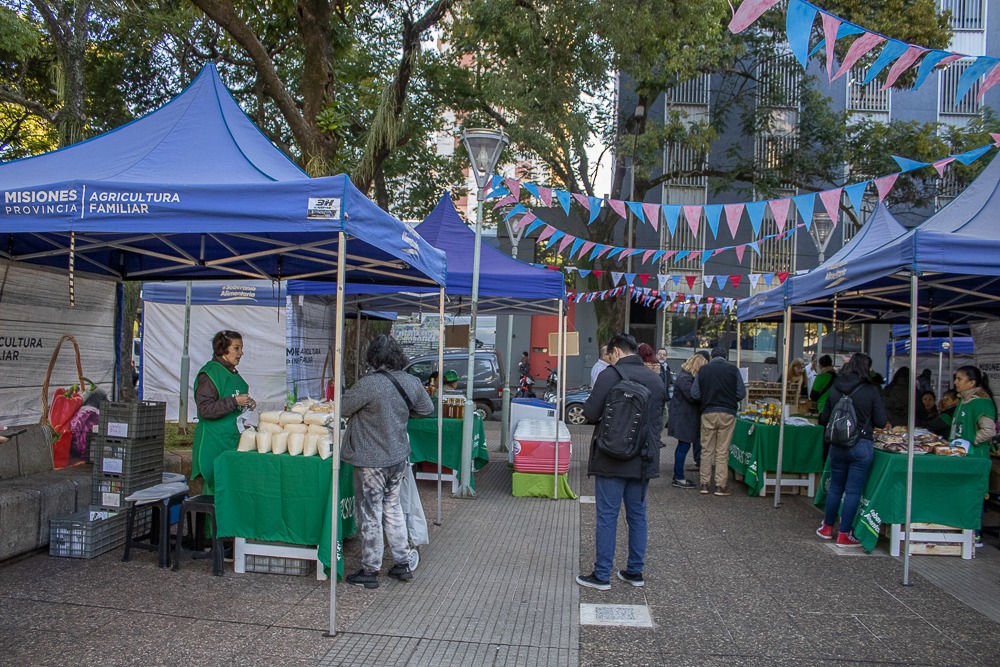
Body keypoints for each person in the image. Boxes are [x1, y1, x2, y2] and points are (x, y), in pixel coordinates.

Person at [341, 335, 433, 589]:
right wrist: (400, 415)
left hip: (371, 459)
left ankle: (370, 571)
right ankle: (402, 563)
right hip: (398, 456)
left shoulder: (368, 384)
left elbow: (343, 408)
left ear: (373, 357)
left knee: (370, 512)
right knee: (392, 507)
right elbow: (427, 410)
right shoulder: (411, 381)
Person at [576, 333, 664, 591]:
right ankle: (634, 572)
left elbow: (591, 413)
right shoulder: (655, 379)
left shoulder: (610, 375)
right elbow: (659, 422)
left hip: (611, 457)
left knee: (607, 516)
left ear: (615, 352)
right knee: (638, 516)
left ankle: (602, 575)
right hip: (643, 459)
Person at [816, 352, 886, 547]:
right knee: (853, 491)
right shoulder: (871, 390)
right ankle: (844, 534)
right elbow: (880, 421)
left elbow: (825, 416)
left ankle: (827, 527)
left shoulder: (836, 386)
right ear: (867, 368)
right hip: (861, 444)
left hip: (837, 444)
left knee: (836, 487)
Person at [191, 330, 256, 496]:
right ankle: (211, 523)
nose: (241, 353)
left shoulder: (231, 372)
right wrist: (234, 401)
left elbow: (231, 402)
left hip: (230, 439)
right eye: (236, 348)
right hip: (213, 443)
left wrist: (246, 404)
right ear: (223, 349)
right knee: (215, 491)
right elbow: (205, 409)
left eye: (241, 348)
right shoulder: (210, 373)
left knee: (229, 490)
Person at [691, 346, 746, 496]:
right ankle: (720, 486)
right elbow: (741, 392)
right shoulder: (733, 370)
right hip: (728, 413)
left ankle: (704, 484)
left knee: (706, 450)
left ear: (711, 356)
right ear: (726, 357)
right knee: (722, 451)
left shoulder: (703, 370)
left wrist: (707, 398)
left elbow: (694, 393)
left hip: (708, 412)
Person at [667, 351, 709, 489]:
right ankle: (678, 477)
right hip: (684, 418)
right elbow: (692, 396)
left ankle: (678, 476)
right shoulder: (686, 378)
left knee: (683, 447)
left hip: (684, 417)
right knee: (683, 447)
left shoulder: (684, 376)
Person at [950, 365, 997, 459]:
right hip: (960, 452)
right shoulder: (964, 400)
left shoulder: (982, 402)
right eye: (956, 379)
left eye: (959, 379)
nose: (955, 382)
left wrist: (971, 440)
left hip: (975, 454)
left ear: (971, 382)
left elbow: (989, 431)